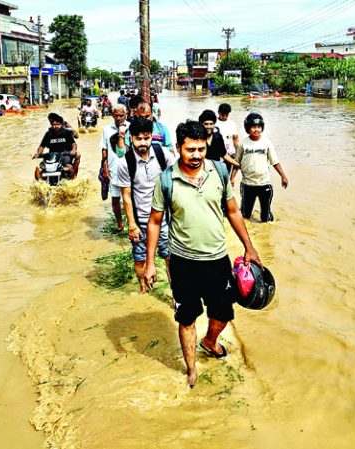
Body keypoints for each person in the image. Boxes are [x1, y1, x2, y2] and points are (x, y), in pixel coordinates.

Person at [144, 120, 261, 388]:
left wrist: (249, 246)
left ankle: (209, 341)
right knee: (186, 317)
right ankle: (191, 368)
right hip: (182, 263)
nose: (196, 155)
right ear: (178, 149)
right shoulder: (166, 180)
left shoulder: (219, 172)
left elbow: (232, 211)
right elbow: (154, 221)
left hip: (217, 260)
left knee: (222, 312)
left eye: (200, 149)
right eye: (190, 150)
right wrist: (150, 263)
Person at [116, 117, 176, 293]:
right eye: (138, 138)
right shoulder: (125, 162)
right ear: (131, 138)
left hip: (164, 219)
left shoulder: (162, 154)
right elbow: (126, 196)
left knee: (169, 257)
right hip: (141, 220)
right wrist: (132, 225)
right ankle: (143, 288)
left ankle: (175, 294)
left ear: (152, 137)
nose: (143, 142)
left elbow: (176, 180)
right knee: (140, 258)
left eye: (146, 138)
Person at [230, 112, 289, 222]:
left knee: (265, 217)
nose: (256, 129)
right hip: (248, 184)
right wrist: (232, 178)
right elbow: (236, 163)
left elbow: (274, 162)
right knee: (245, 215)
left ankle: (267, 235)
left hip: (264, 183)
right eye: (253, 127)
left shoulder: (267, 143)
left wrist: (283, 176)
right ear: (248, 128)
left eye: (259, 127)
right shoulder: (243, 144)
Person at [100, 105, 130, 231]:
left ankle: (132, 223)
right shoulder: (107, 129)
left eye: (121, 115)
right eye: (116, 115)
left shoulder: (131, 127)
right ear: (112, 115)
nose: (118, 118)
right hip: (113, 169)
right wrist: (104, 166)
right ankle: (120, 224)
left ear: (126, 115)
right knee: (115, 198)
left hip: (130, 169)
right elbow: (104, 148)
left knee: (130, 198)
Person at [33, 113, 80, 180]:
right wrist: (38, 154)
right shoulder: (48, 133)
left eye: (58, 124)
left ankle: (72, 178)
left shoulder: (66, 132)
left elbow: (73, 144)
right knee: (41, 167)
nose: (56, 126)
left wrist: (73, 150)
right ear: (51, 124)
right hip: (52, 156)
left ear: (61, 124)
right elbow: (42, 146)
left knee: (69, 167)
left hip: (65, 154)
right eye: (54, 124)